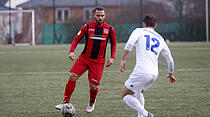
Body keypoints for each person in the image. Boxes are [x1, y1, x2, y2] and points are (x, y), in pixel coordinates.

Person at [55, 6, 117, 113]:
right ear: (94, 16)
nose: (100, 18)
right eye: (98, 15)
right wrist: (71, 51)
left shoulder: (110, 29)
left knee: (93, 86)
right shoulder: (87, 27)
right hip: (84, 58)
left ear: (104, 16)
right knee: (72, 76)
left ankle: (92, 101)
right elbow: (76, 39)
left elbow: (114, 44)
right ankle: (65, 101)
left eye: (102, 15)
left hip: (98, 62)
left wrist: (112, 57)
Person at [120, 14, 176, 117]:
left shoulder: (139, 31)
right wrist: (170, 73)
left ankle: (146, 114)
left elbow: (129, 44)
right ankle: (142, 116)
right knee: (138, 93)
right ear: (155, 26)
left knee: (125, 94)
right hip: (154, 74)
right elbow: (170, 59)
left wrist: (123, 59)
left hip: (142, 71)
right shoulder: (160, 38)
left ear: (143, 24)